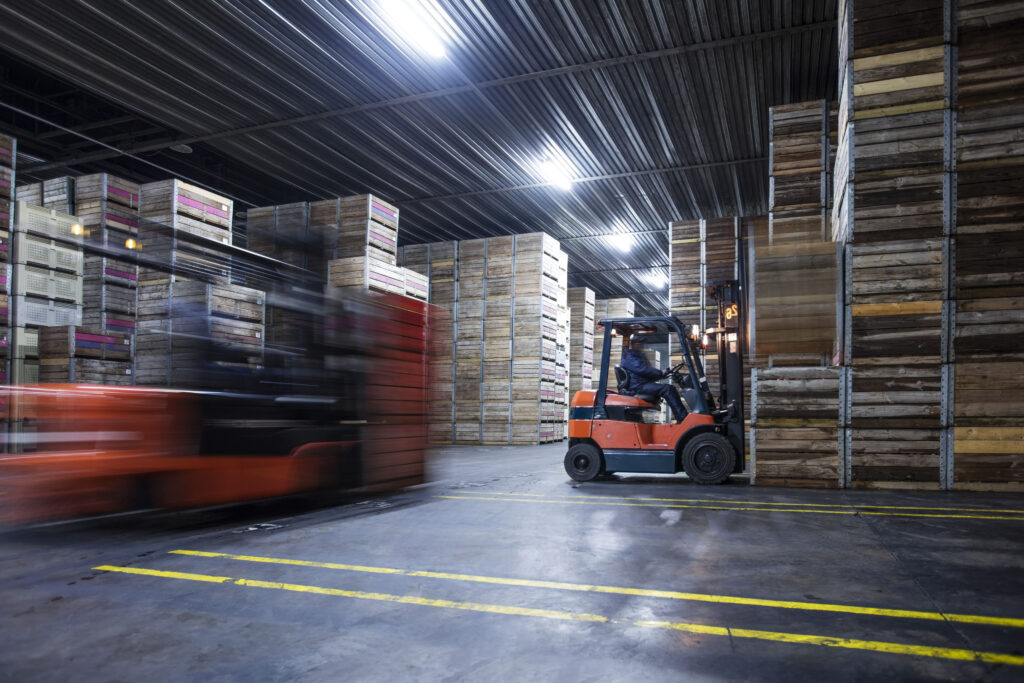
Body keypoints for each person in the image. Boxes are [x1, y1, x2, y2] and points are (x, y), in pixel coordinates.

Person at [620, 334, 687, 423]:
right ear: (635, 344)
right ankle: (683, 419)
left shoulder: (636, 355)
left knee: (668, 388)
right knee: (668, 389)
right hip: (638, 387)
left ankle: (681, 417)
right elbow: (643, 370)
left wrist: (661, 373)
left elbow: (647, 369)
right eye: (640, 343)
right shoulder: (631, 356)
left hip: (640, 384)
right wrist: (660, 373)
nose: (642, 345)